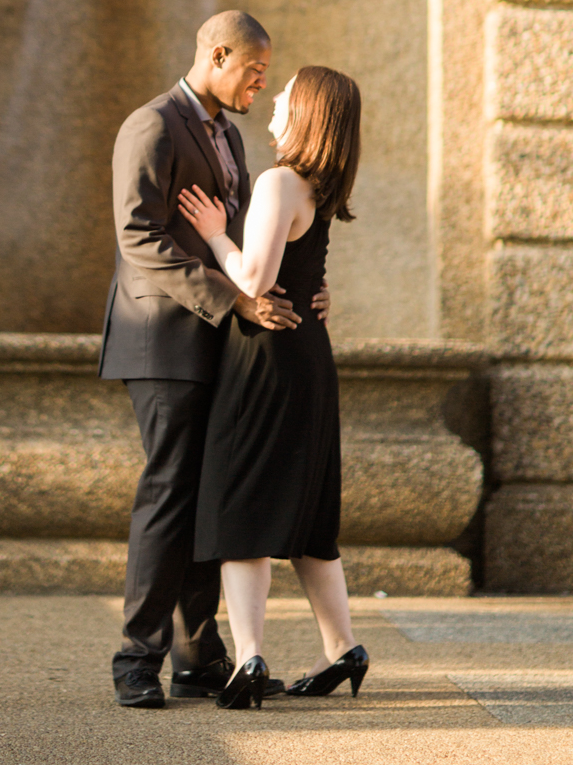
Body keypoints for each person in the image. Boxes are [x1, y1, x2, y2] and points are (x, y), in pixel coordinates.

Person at [99, 11, 331, 709]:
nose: (261, 84)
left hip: (220, 342)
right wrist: (233, 303)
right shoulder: (151, 125)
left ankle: (197, 655)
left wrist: (302, 287)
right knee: (170, 494)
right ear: (217, 52)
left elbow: (246, 241)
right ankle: (136, 657)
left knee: (210, 497)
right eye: (255, 71)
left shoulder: (226, 134)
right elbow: (138, 236)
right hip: (161, 339)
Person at [179, 64, 369, 711]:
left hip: (266, 358)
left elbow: (254, 280)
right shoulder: (320, 187)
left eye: (287, 93)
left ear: (308, 112)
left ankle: (251, 659)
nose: (277, 99)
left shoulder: (279, 180)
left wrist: (212, 235)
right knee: (311, 517)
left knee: (243, 506)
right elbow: (303, 270)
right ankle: (342, 649)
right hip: (310, 355)